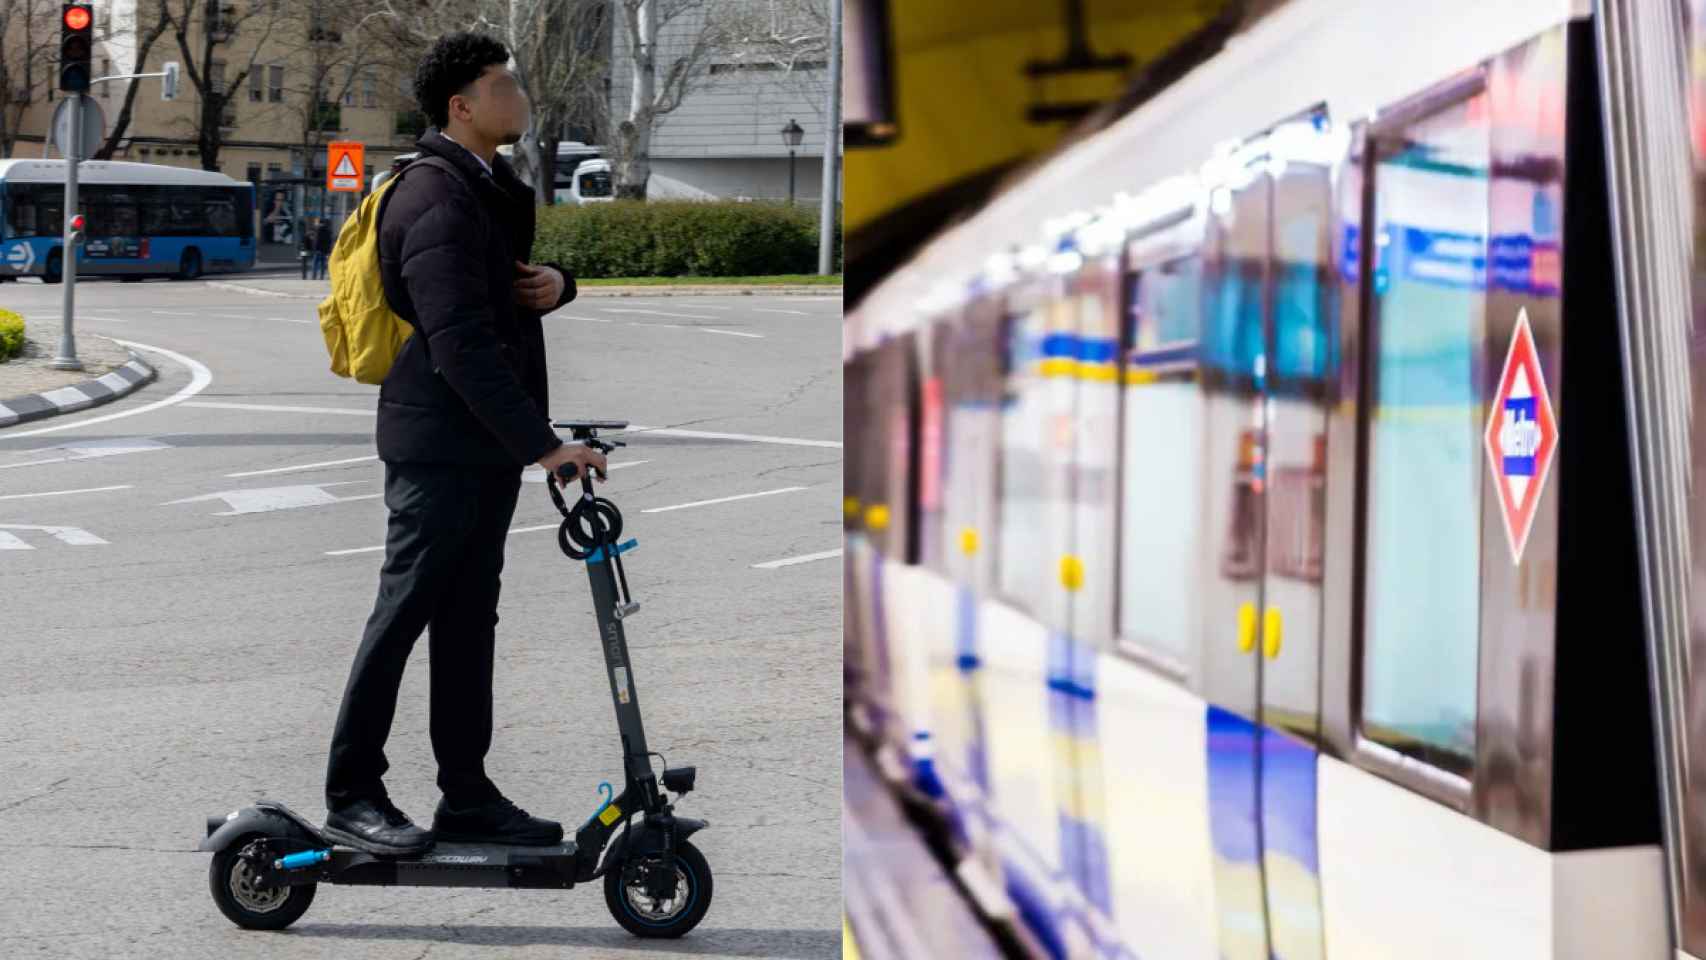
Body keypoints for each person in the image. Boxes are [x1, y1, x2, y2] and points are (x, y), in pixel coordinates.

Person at [322, 31, 601, 857]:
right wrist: (546, 447)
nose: (518, 94)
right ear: (462, 106)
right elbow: (460, 344)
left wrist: (560, 284)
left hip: (474, 445)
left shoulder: (484, 186)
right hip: (439, 444)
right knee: (403, 613)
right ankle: (352, 792)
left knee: (468, 622)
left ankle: (466, 793)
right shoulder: (436, 197)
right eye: (502, 83)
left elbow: (501, 293)